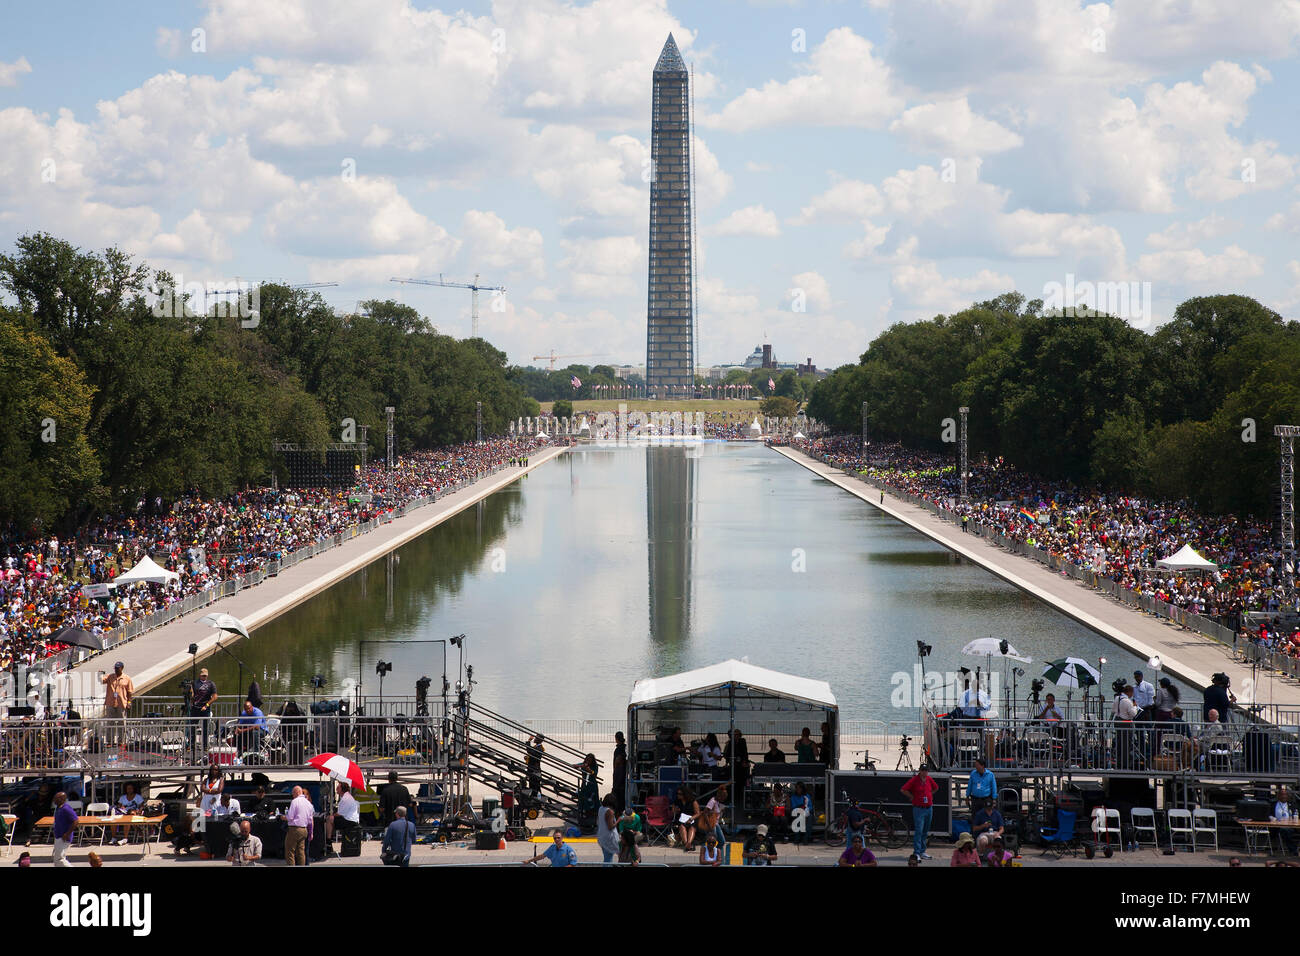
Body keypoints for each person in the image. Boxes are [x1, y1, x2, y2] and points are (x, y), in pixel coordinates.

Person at [901, 765, 938, 860]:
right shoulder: (915, 780)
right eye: (923, 770)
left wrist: (929, 794)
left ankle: (922, 851)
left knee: (925, 830)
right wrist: (912, 796)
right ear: (920, 771)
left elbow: (936, 788)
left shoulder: (929, 779)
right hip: (919, 808)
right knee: (919, 830)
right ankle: (917, 852)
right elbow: (903, 789)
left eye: (926, 771)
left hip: (928, 807)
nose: (925, 772)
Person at [101, 661, 133, 746]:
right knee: (109, 723)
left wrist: (129, 702)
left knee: (122, 723)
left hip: (121, 704)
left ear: (122, 668)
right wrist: (99, 674)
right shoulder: (110, 677)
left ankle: (121, 741)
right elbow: (101, 681)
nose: (115, 670)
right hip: (110, 703)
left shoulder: (127, 678)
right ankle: (109, 741)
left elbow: (130, 692)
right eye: (115, 668)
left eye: (117, 668)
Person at [189, 667, 219, 754]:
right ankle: (191, 745)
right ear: (200, 675)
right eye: (202, 676)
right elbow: (192, 695)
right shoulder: (195, 683)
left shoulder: (211, 684)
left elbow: (215, 697)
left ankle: (205, 745)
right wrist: (190, 694)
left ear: (207, 676)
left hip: (205, 708)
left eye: (205, 676)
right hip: (195, 708)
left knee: (205, 728)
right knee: (192, 727)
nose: (204, 677)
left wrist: (206, 705)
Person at [284, 785, 314, 866]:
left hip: (294, 829)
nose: (292, 795)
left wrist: (283, 817)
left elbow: (290, 817)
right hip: (304, 829)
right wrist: (311, 832)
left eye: (293, 793)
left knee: (290, 851)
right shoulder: (309, 803)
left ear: (297, 792)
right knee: (301, 852)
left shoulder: (295, 801)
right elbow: (310, 820)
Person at [328, 782, 361, 852]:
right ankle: (329, 838)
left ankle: (328, 840)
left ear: (342, 789)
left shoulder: (346, 799)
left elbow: (340, 813)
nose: (336, 788)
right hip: (349, 819)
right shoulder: (346, 797)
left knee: (329, 819)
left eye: (338, 787)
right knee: (331, 820)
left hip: (350, 821)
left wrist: (332, 815)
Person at [51, 791, 77, 867]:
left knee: (60, 859)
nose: (54, 800)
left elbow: (75, 821)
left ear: (62, 799)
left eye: (56, 798)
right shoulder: (58, 808)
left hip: (64, 837)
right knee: (57, 860)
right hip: (58, 836)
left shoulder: (66, 809)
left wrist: (67, 834)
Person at [672, 786, 700, 851]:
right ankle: (686, 844)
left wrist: (691, 819)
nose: (678, 795)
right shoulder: (677, 801)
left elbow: (698, 813)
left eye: (680, 794)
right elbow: (673, 810)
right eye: (677, 794)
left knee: (692, 827)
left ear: (685, 794)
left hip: (691, 818)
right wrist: (675, 810)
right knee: (682, 826)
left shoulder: (693, 801)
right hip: (681, 819)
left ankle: (688, 843)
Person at [596, 793, 620, 865]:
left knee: (607, 857)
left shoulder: (601, 809)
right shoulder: (610, 811)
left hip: (601, 836)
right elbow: (610, 826)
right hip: (609, 838)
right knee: (608, 860)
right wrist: (619, 820)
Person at [612, 732, 627, 813]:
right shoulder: (624, 747)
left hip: (619, 773)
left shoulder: (619, 749)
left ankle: (619, 811)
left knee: (618, 793)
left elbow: (617, 761)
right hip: (622, 773)